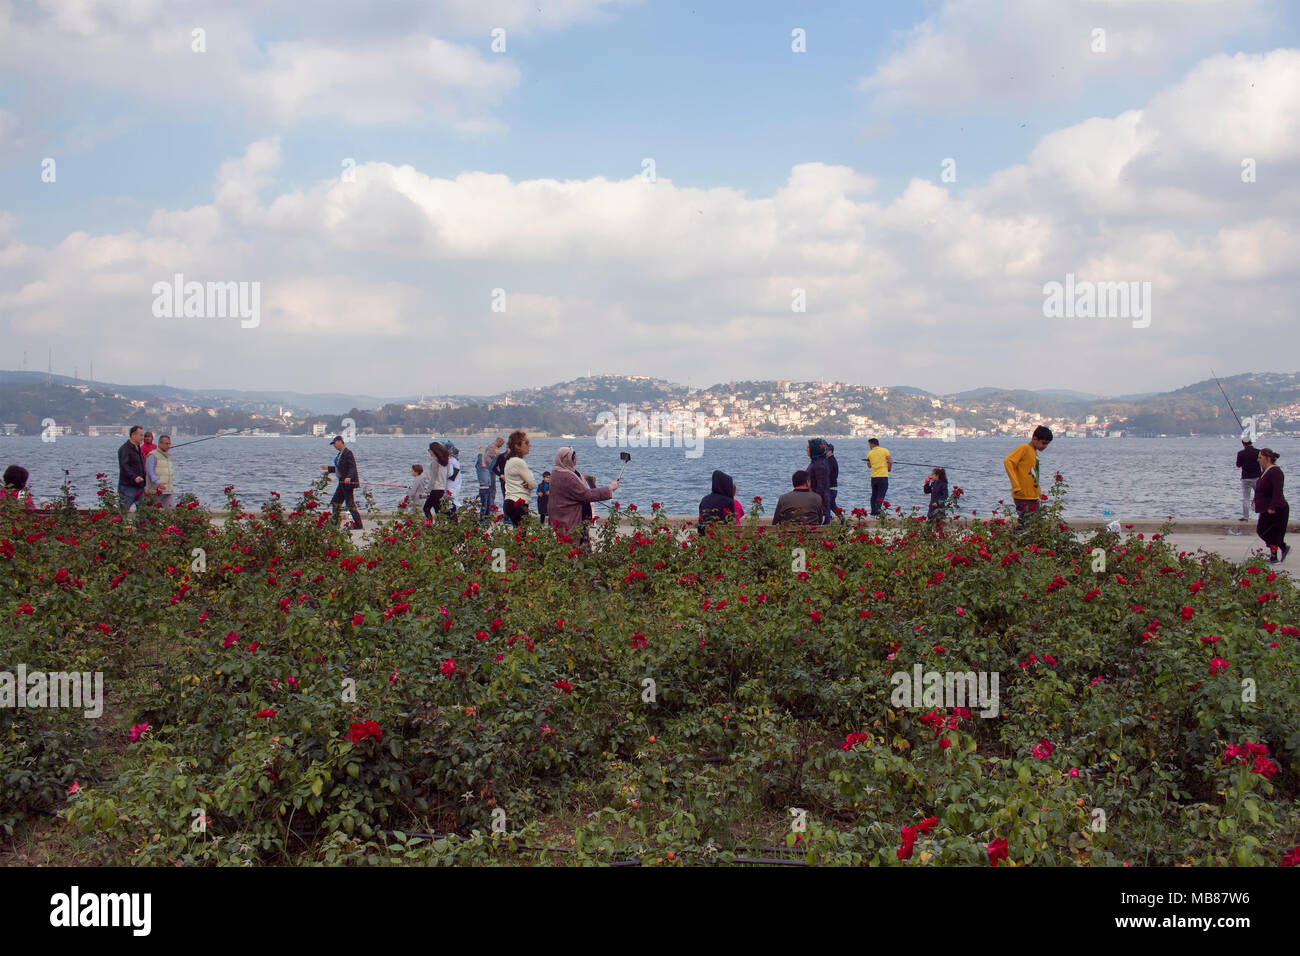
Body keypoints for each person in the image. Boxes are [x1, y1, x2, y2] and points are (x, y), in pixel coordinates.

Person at [548, 447, 618, 542]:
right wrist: (609, 488)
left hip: (564, 518)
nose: (576, 459)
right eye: (574, 457)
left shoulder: (557, 472)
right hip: (570, 520)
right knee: (575, 549)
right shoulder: (566, 476)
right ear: (568, 459)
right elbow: (586, 495)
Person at [1004, 426, 1053, 529]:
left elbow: (1034, 474)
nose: (1045, 446)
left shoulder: (1034, 452)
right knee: (1027, 526)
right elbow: (1008, 461)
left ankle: (1016, 541)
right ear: (1034, 438)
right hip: (1023, 496)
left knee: (1035, 525)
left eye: (1047, 444)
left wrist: (1038, 490)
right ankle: (1013, 541)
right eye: (1043, 443)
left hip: (1032, 497)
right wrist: (1015, 485)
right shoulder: (1024, 448)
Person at [1253, 447, 1289, 563]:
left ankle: (1275, 555)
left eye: (1260, 458)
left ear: (1267, 459)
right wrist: (1255, 501)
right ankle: (1282, 547)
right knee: (1262, 531)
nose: (1258, 460)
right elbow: (1260, 488)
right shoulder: (1265, 471)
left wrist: (1273, 507)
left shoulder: (1275, 472)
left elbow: (1277, 491)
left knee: (1272, 532)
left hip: (1277, 509)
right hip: (1265, 508)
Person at [321, 435, 362, 529]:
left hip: (347, 483)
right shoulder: (340, 454)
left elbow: (352, 467)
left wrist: (349, 477)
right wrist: (327, 468)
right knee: (335, 502)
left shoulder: (348, 453)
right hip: (342, 483)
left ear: (340, 442)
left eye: (335, 443)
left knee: (350, 504)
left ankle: (359, 525)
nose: (334, 446)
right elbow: (339, 468)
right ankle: (335, 524)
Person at [502, 430, 536, 526]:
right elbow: (532, 484)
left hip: (509, 500)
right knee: (521, 536)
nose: (529, 445)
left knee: (518, 534)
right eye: (526, 443)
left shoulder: (509, 461)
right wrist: (528, 484)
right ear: (517, 446)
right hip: (518, 502)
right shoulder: (519, 462)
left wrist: (527, 483)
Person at [118, 425, 147, 513]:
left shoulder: (138, 449)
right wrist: (134, 477)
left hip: (140, 486)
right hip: (128, 487)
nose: (143, 438)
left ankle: (141, 527)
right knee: (123, 512)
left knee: (144, 513)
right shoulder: (125, 449)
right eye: (141, 435)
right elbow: (124, 465)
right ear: (133, 435)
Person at [145, 434, 175, 508]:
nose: (168, 446)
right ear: (160, 443)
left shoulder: (167, 456)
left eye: (169, 444)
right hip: (155, 491)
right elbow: (150, 472)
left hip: (168, 490)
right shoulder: (153, 455)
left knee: (171, 512)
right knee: (151, 511)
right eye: (166, 444)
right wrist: (157, 482)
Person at [476, 438, 503, 521]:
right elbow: (485, 458)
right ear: (499, 442)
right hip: (488, 476)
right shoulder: (492, 448)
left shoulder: (490, 447)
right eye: (501, 445)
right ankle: (490, 508)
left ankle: (490, 509)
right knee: (492, 490)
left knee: (491, 491)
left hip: (489, 473)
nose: (501, 446)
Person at [806, 438, 831, 524]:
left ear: (815, 449)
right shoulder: (815, 461)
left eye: (808, 447)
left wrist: (815, 500)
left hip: (819, 503)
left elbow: (821, 486)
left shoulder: (819, 464)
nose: (806, 449)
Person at [1237, 439, 1262, 521]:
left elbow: (1238, 465)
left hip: (1245, 478)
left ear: (1243, 444)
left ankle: (1245, 517)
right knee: (1259, 495)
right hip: (1257, 477)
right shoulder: (1258, 452)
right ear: (1251, 443)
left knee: (1246, 498)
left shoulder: (1241, 453)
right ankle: (1261, 516)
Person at [865, 438, 892, 516]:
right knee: (881, 494)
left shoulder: (869, 453)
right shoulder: (884, 450)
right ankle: (878, 511)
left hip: (874, 477)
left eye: (869, 444)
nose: (869, 446)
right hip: (883, 476)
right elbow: (890, 461)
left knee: (874, 494)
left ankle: (873, 511)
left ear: (873, 444)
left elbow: (869, 466)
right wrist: (889, 468)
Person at [425, 442, 451, 520]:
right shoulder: (444, 462)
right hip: (441, 489)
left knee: (427, 509)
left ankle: (430, 527)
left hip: (435, 489)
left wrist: (427, 491)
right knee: (438, 511)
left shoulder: (435, 463)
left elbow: (433, 479)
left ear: (433, 451)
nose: (428, 451)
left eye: (429, 449)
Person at [445, 443, 462, 522]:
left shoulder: (451, 460)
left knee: (450, 505)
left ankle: (453, 522)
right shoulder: (455, 460)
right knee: (452, 502)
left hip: (451, 486)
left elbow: (450, 473)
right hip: (455, 485)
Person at [826, 443, 840, 522]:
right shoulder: (831, 460)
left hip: (830, 487)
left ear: (830, 451)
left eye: (826, 451)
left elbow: (829, 474)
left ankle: (827, 521)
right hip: (832, 487)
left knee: (830, 505)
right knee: (832, 505)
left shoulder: (830, 461)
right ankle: (841, 519)